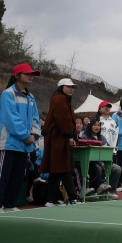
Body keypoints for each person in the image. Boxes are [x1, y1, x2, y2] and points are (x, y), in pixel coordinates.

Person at [0, 64, 42, 212]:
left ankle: (10, 204)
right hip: (9, 143)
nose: (31, 76)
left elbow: (36, 119)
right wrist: (25, 136)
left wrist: (34, 134)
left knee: (18, 176)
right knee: (3, 175)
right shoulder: (8, 94)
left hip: (24, 144)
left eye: (32, 74)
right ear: (17, 75)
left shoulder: (31, 97)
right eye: (27, 74)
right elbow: (11, 119)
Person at [40, 78, 82, 205]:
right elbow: (63, 119)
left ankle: (52, 199)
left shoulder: (61, 99)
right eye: (68, 86)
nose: (71, 89)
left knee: (57, 169)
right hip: (59, 138)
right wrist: (70, 136)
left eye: (72, 87)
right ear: (61, 87)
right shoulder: (59, 99)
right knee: (66, 167)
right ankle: (72, 197)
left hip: (58, 137)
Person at [82, 120, 119, 199]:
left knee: (117, 169)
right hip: (91, 162)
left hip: (104, 161)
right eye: (94, 125)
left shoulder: (102, 137)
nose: (97, 127)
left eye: (98, 125)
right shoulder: (84, 137)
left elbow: (107, 150)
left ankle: (110, 191)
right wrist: (100, 163)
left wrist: (106, 162)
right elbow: (88, 153)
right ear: (90, 126)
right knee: (97, 168)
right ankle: (94, 192)